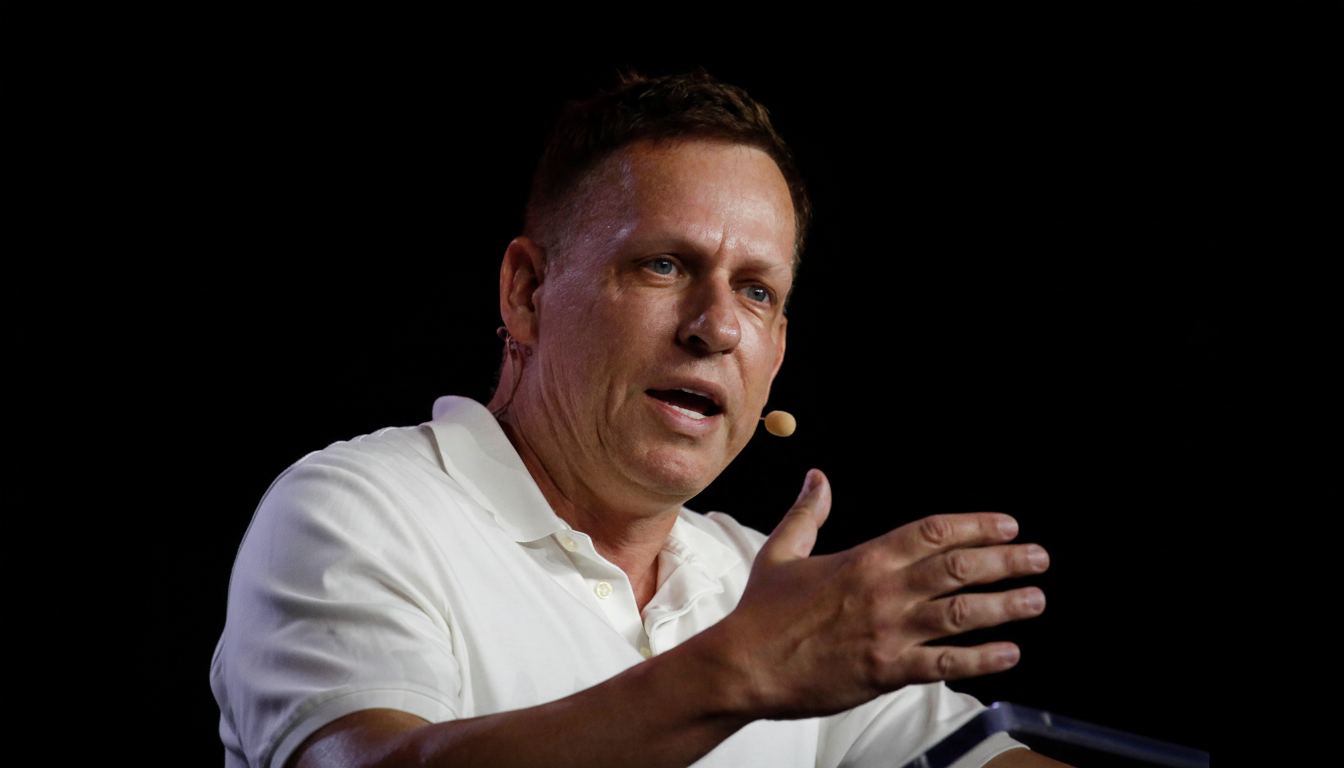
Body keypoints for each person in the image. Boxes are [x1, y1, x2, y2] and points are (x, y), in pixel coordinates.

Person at [211, 71, 1066, 768]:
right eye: (664, 264)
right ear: (527, 292)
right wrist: (734, 674)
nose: (717, 326)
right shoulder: (355, 510)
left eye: (757, 292)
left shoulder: (756, 585)